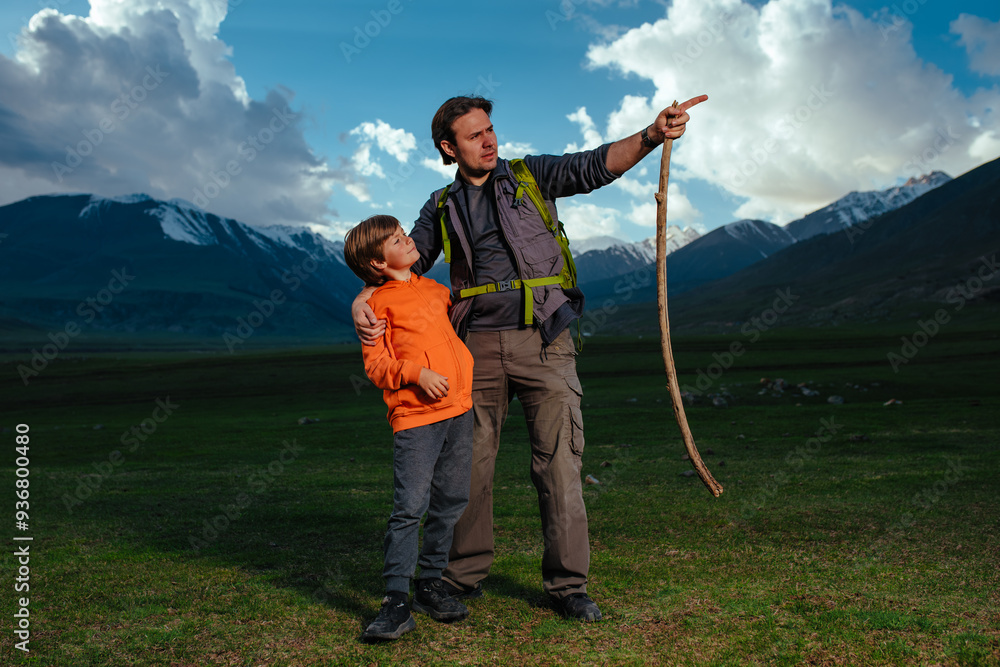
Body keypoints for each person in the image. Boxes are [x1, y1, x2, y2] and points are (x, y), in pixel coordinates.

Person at [353, 94, 706, 622]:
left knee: (560, 462)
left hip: (545, 339)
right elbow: (399, 265)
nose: (489, 140)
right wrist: (362, 299)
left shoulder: (530, 176)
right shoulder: (439, 207)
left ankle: (568, 586)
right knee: (468, 468)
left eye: (490, 129)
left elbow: (593, 166)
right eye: (474, 136)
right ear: (449, 148)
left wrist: (652, 135)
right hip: (471, 352)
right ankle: (460, 575)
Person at [343, 214, 476, 642]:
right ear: (377, 263)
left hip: (459, 409)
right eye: (397, 240)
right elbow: (378, 367)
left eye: (403, 233)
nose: (407, 240)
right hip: (417, 418)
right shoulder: (374, 307)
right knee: (409, 509)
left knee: (452, 499)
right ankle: (396, 602)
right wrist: (418, 374)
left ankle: (431, 584)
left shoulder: (436, 290)